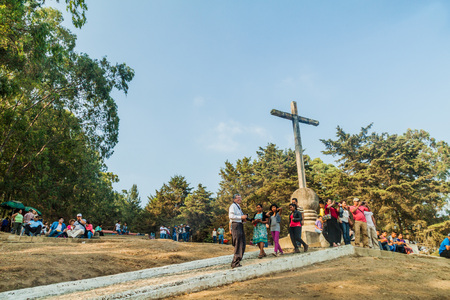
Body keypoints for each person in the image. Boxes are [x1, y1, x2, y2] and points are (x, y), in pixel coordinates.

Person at [229, 193, 248, 268]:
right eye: (237, 198)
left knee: (242, 243)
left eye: (240, 198)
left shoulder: (238, 206)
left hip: (240, 224)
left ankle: (237, 261)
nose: (239, 199)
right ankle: (235, 262)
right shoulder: (232, 206)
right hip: (236, 225)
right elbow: (231, 216)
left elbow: (241, 217)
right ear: (234, 199)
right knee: (238, 243)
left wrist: (244, 219)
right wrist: (240, 217)